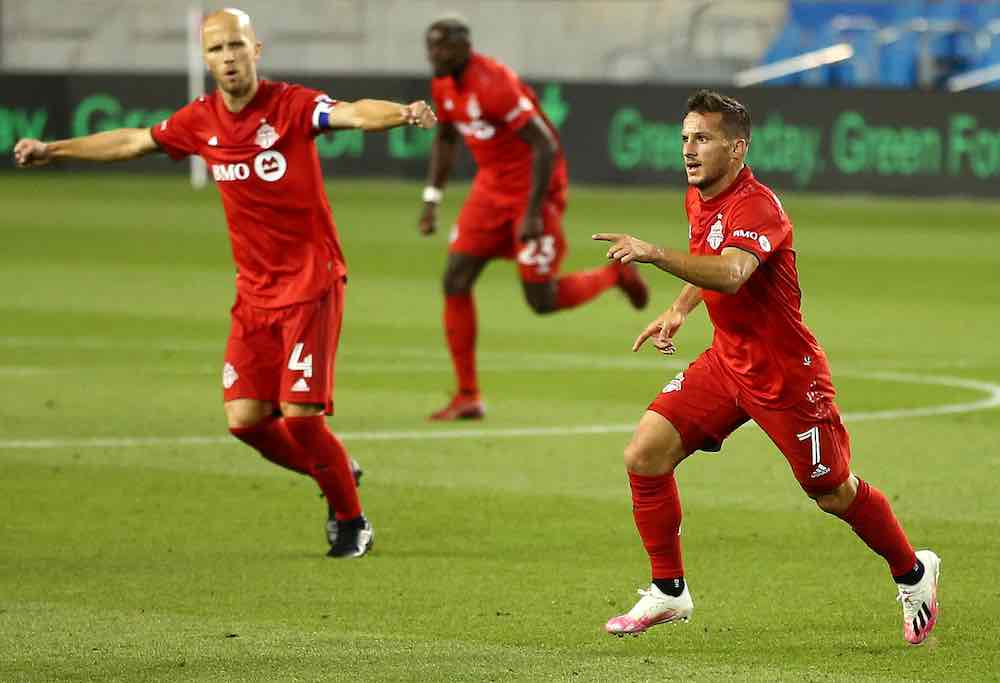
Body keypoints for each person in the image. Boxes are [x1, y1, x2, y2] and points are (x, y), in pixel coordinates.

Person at [13, 8, 437, 558]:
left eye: (236, 45)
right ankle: (335, 470)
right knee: (246, 422)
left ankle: (351, 518)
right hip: (255, 293)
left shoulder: (291, 106)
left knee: (302, 419)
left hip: (311, 283)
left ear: (256, 49)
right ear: (205, 58)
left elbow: (353, 113)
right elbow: (130, 141)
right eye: (216, 49)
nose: (228, 57)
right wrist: (54, 150)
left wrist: (401, 113)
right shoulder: (200, 120)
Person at [593, 90, 939, 644]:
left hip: (786, 374)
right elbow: (706, 257)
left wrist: (654, 254)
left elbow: (730, 273)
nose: (689, 149)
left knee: (832, 492)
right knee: (645, 453)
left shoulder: (758, 207)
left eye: (702, 138)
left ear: (737, 147)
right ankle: (668, 591)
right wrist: (679, 310)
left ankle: (914, 573)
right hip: (728, 363)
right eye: (684, 137)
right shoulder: (700, 195)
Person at [418, 17, 650, 420]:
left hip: (534, 190)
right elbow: (445, 137)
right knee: (455, 277)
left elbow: (543, 146)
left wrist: (532, 211)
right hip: (490, 190)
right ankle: (468, 395)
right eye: (430, 47)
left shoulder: (494, 83)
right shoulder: (442, 84)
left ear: (464, 47)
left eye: (442, 48)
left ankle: (614, 275)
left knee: (540, 300)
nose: (434, 55)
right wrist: (432, 198)